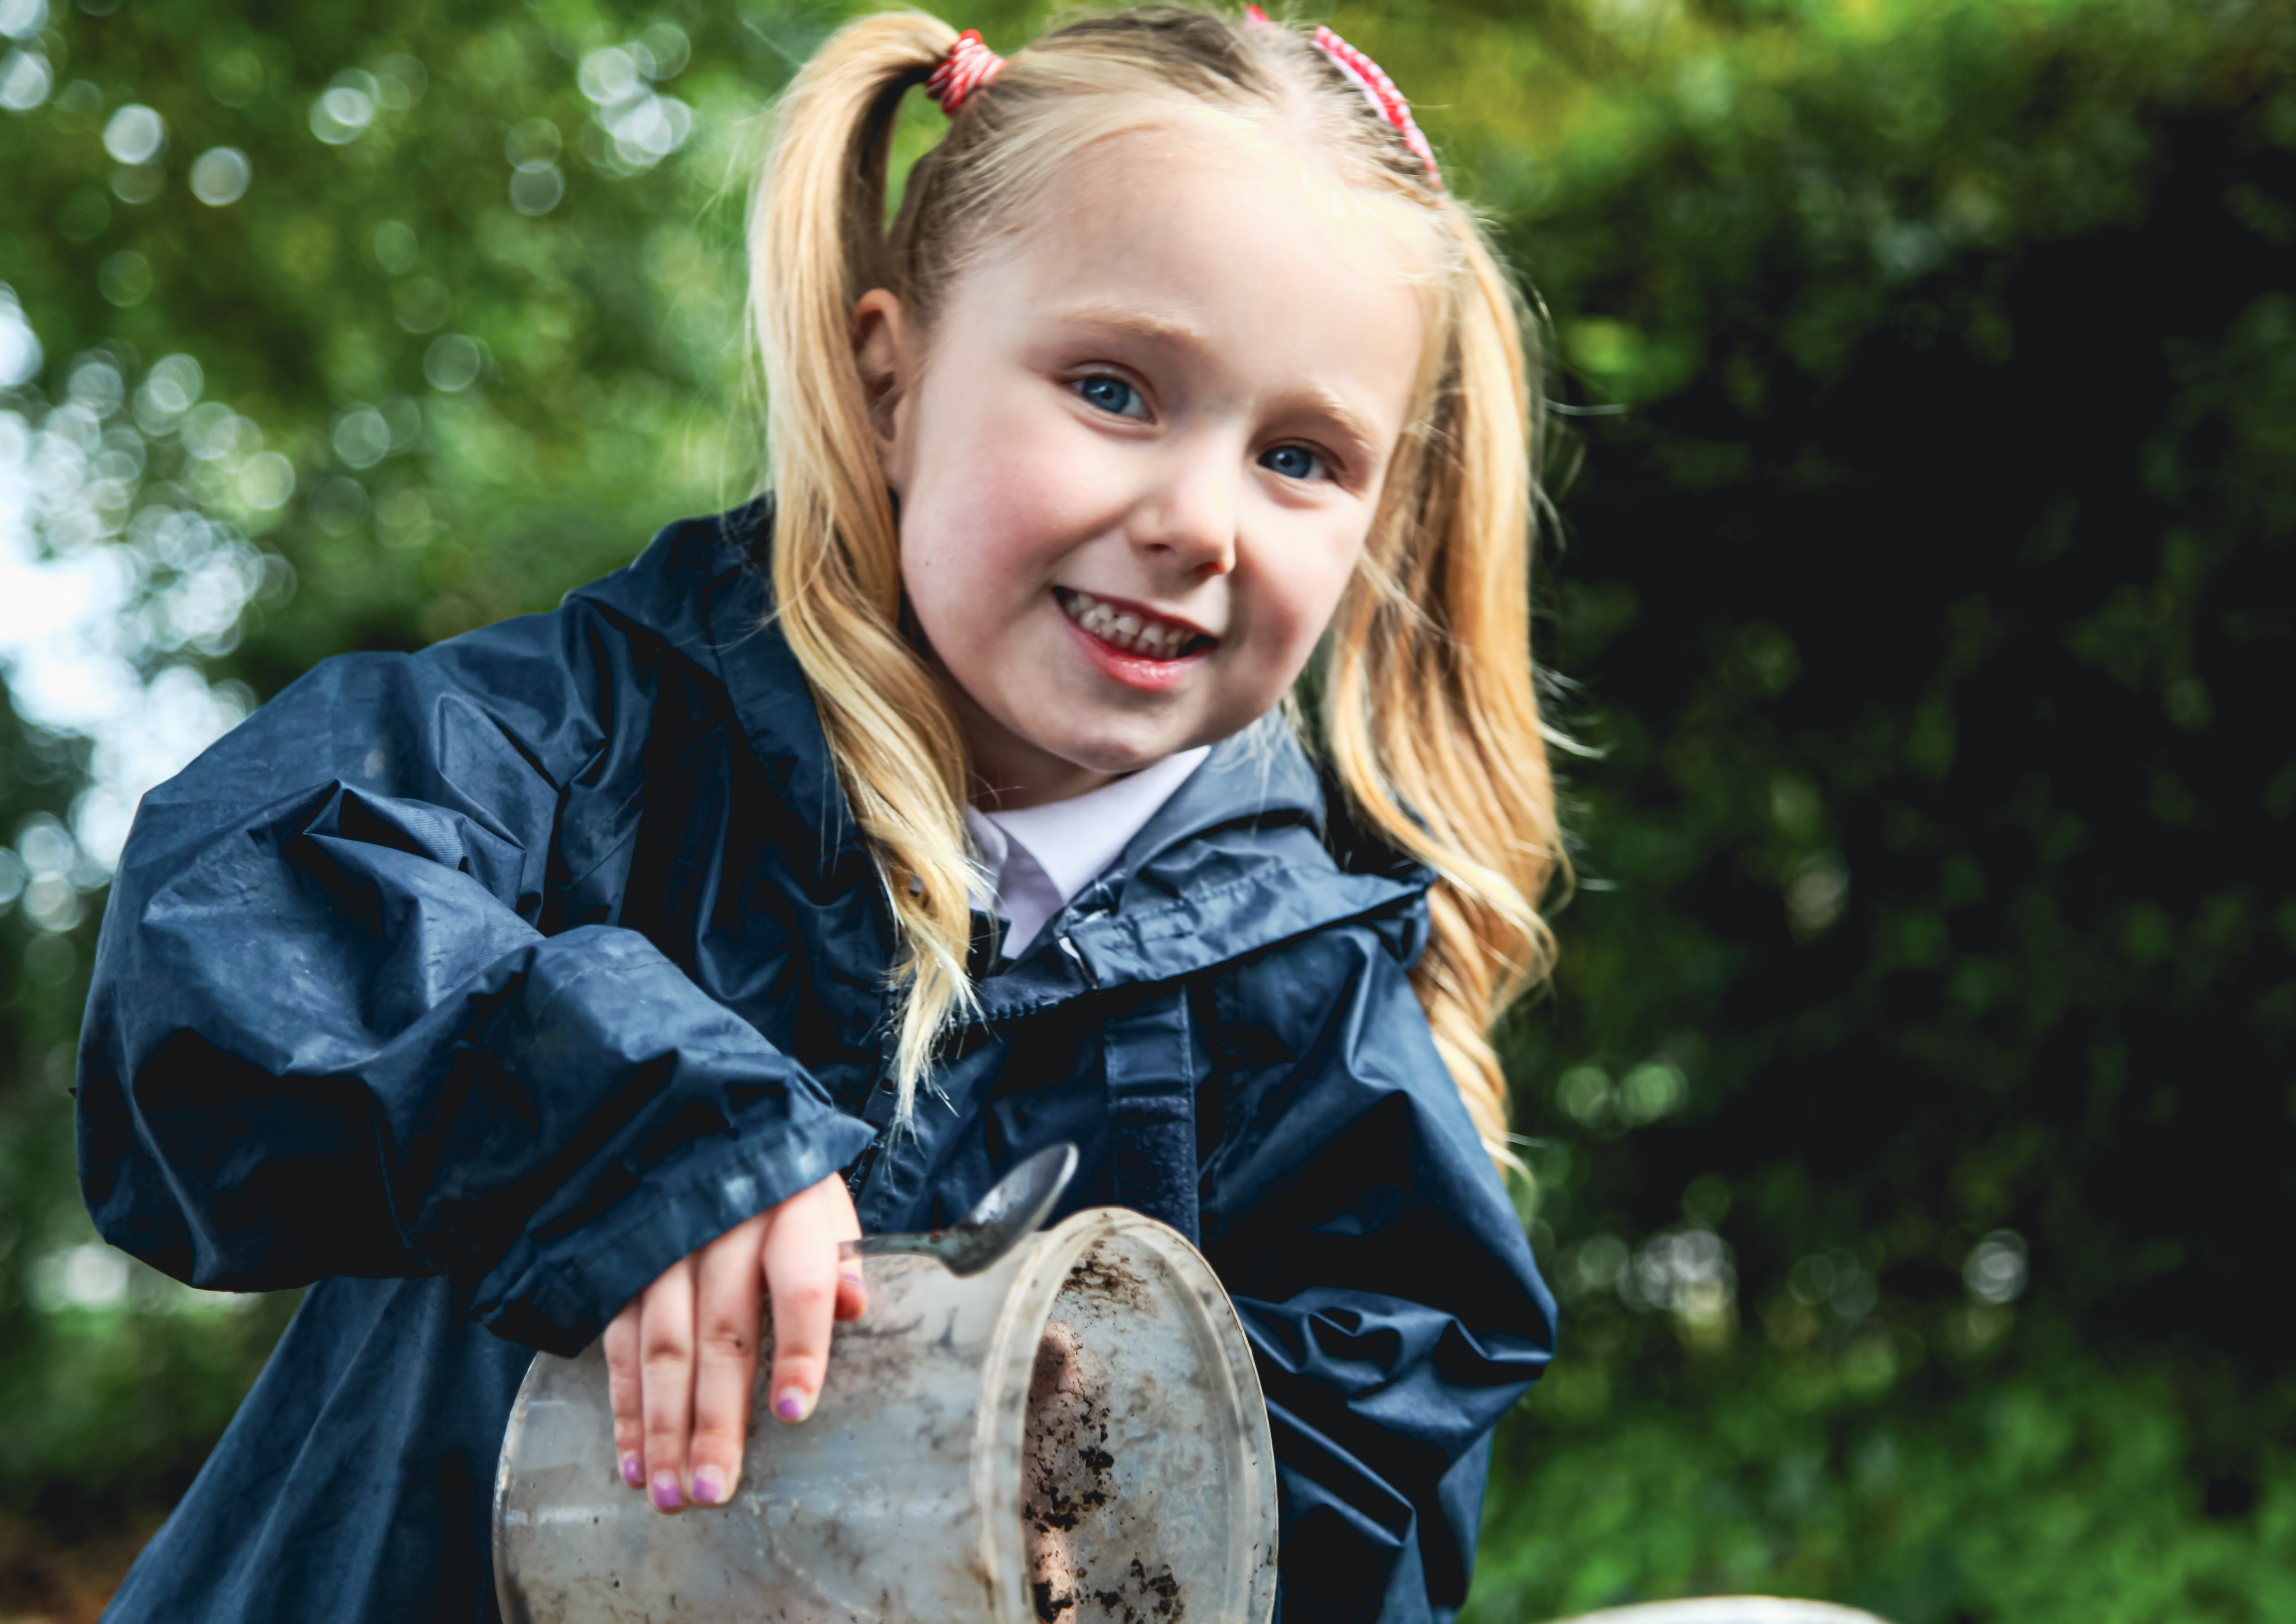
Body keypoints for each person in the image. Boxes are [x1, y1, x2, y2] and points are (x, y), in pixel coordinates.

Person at [75, 7, 1562, 1621]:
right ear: (890, 380)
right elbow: (224, 931)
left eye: (1298, 455)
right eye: (1115, 390)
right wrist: (638, 1128)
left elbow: (1343, 1531)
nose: (1198, 521)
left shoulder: (1320, 1031)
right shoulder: (610, 742)